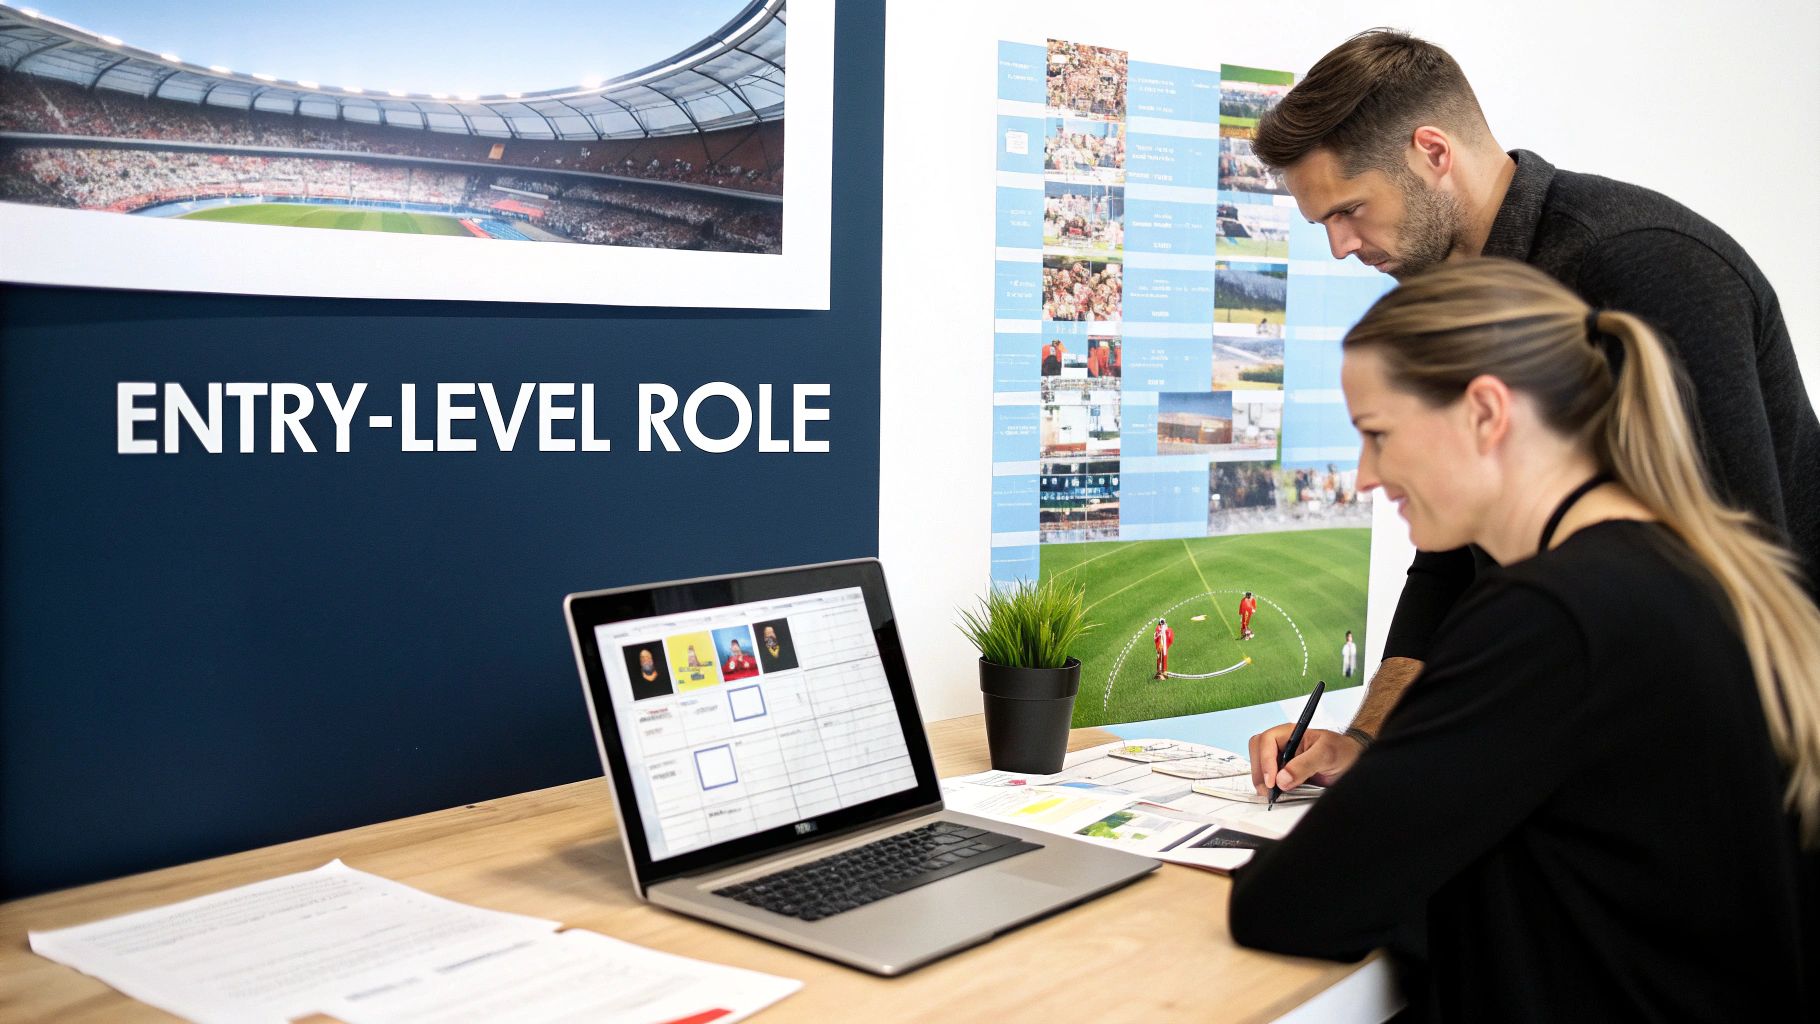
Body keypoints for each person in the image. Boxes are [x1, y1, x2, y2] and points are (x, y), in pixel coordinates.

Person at [1229, 258, 1819, 1018]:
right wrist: (1381, 768)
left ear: (1485, 412)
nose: (1367, 475)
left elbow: (1292, 903)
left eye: (1378, 434)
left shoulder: (1551, 615)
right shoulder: (1686, 566)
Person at [1244, 27, 1818, 800]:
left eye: (1349, 211)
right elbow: (1450, 555)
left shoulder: (1644, 263)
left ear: (1432, 152)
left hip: (1743, 769)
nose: (1341, 248)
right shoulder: (1450, 295)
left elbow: (1733, 575)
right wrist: (1369, 737)